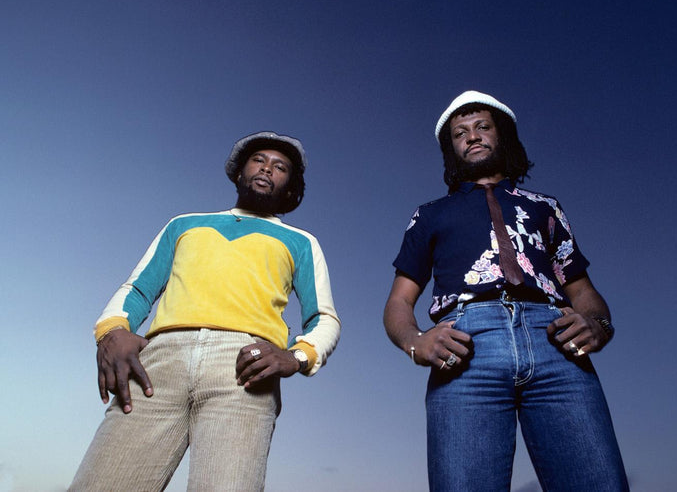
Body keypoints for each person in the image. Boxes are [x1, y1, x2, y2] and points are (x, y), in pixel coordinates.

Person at [383, 91, 628, 491]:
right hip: (466, 346)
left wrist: (598, 324)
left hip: (556, 343)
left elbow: (582, 290)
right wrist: (416, 342)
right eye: (460, 133)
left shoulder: (546, 208)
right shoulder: (429, 215)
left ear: (503, 136)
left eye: (482, 126)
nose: (472, 136)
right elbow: (399, 301)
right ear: (452, 148)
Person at [70, 131, 341, 491]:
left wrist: (298, 356)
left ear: (290, 187)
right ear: (240, 172)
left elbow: (323, 318)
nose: (267, 169)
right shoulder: (184, 224)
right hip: (158, 363)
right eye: (258, 160)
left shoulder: (302, 242)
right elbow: (137, 288)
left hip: (245, 373)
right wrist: (112, 331)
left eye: (281, 167)